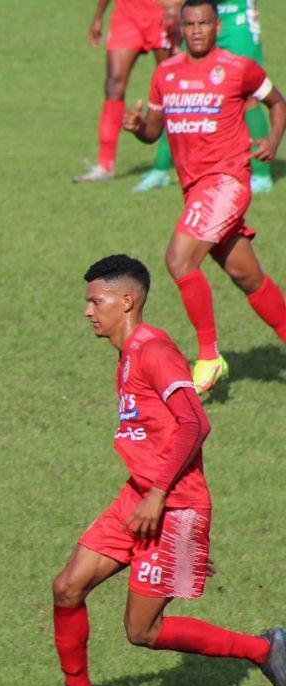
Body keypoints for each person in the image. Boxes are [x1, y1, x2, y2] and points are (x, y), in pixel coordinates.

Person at [47, 254, 286, 686]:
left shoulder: (154, 351)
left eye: (95, 302)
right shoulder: (127, 352)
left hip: (173, 507)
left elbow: (195, 423)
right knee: (67, 587)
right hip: (138, 499)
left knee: (142, 631)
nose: (88, 311)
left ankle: (264, 648)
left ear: (126, 300)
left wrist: (160, 500)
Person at [123, 0, 286, 393]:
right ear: (181, 28)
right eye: (190, 24)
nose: (196, 30)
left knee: (179, 259)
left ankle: (209, 358)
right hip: (196, 189)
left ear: (217, 26)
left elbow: (277, 102)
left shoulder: (237, 67)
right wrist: (138, 127)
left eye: (204, 23)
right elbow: (154, 132)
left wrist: (273, 139)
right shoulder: (165, 73)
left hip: (227, 182)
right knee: (247, 276)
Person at [135, 1, 276, 193]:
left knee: (249, 96)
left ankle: (261, 174)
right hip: (198, 16)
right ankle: (161, 168)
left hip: (236, 17)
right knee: (179, 92)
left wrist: (174, 4)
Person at [74, 0, 181, 183]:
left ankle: (178, 158)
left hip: (160, 11)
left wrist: (177, 7)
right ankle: (104, 165)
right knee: (114, 83)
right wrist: (99, 16)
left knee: (171, 86)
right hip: (127, 13)